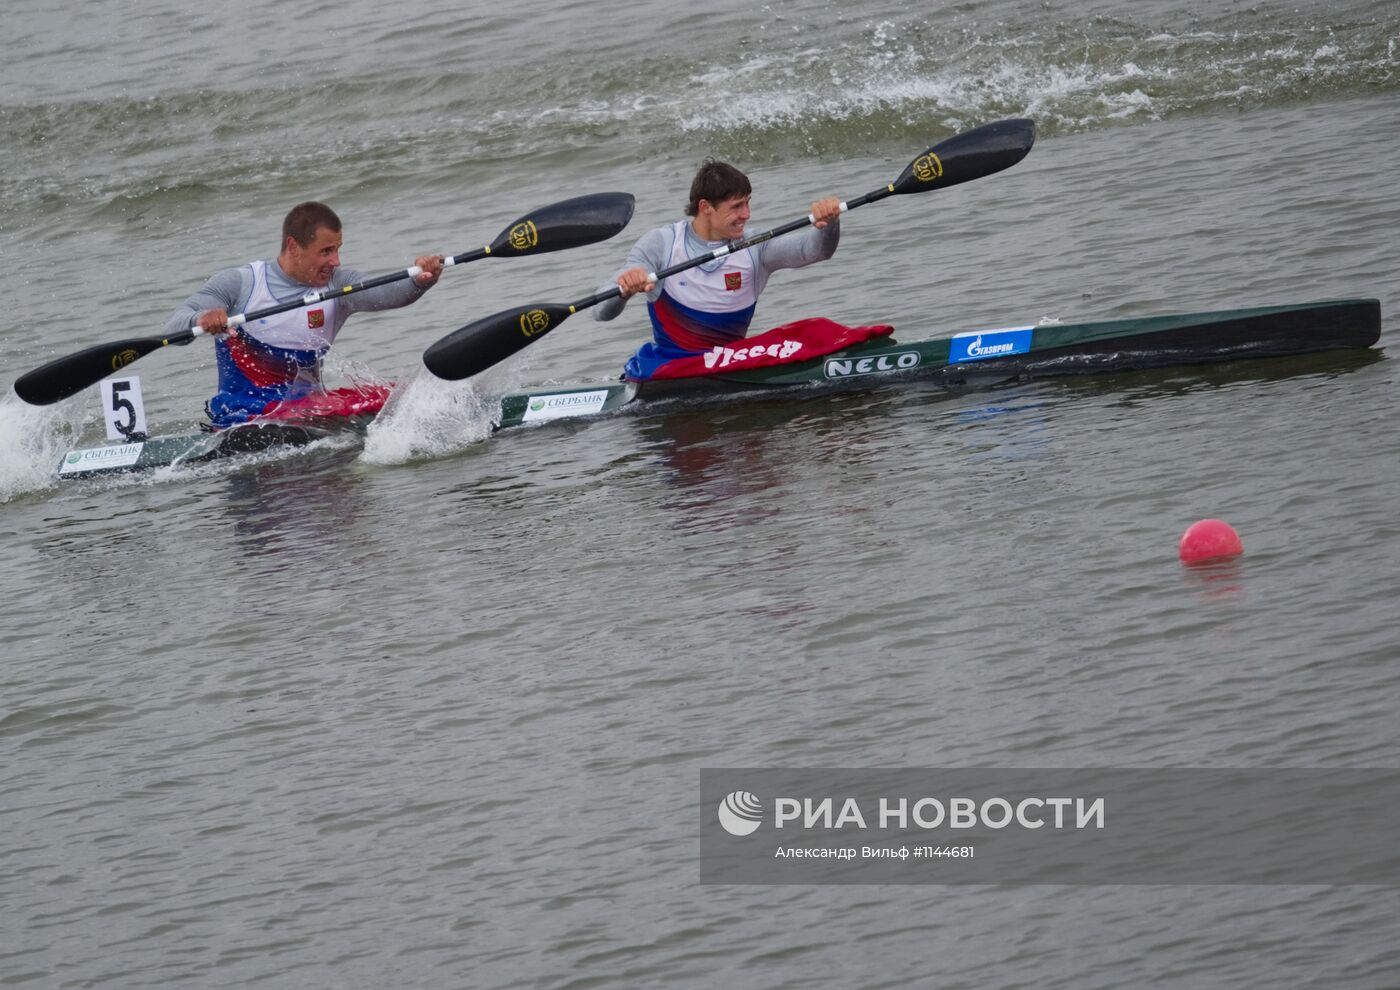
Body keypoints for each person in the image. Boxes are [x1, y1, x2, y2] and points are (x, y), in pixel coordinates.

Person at [165, 201, 444, 427]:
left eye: (337, 249)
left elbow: (385, 293)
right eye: (326, 251)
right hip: (245, 417)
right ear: (293, 247)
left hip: (310, 411)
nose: (335, 261)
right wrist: (201, 319)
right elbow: (173, 329)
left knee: (407, 396)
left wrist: (420, 280)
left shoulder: (338, 283)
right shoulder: (241, 284)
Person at [594, 159, 842, 380]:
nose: (747, 214)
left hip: (728, 369)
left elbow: (816, 251)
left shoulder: (755, 246)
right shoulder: (663, 244)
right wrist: (624, 290)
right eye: (736, 206)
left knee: (816, 330)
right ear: (705, 208)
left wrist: (828, 225)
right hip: (670, 372)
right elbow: (600, 311)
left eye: (747, 203)